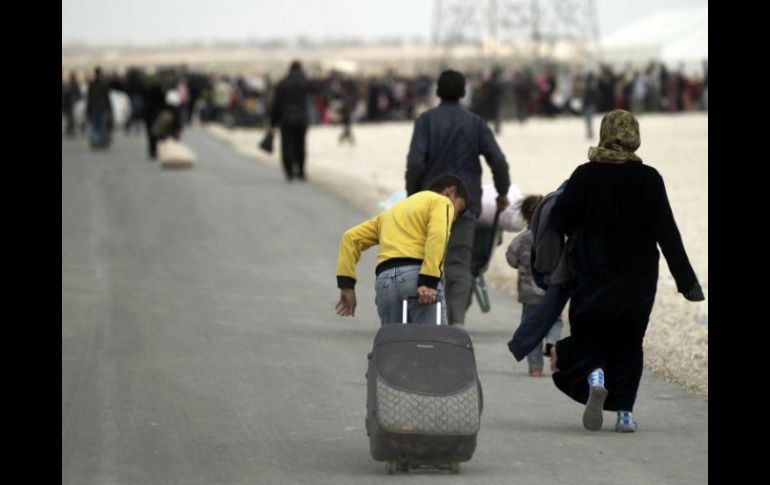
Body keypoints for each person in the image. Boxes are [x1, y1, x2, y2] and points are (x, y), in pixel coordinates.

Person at [548, 110, 705, 433]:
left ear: (604, 133)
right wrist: (686, 281)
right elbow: (668, 232)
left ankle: (595, 376)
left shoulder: (585, 175)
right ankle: (625, 414)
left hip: (593, 274)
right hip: (638, 279)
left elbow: (559, 220)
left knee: (590, 336)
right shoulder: (649, 178)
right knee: (630, 342)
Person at [405, 69, 511, 328]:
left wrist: (412, 195)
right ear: (463, 93)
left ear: (438, 92)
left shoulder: (426, 121)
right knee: (460, 264)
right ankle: (457, 322)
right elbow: (497, 160)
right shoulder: (475, 123)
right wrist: (502, 191)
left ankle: (426, 319)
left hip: (430, 203)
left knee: (428, 259)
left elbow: (416, 162)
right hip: (466, 203)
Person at [335, 175, 469, 325]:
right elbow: (438, 235)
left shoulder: (393, 211)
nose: (455, 217)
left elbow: (350, 238)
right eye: (460, 208)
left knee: (395, 345)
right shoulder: (441, 202)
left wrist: (347, 286)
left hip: (385, 282)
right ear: (451, 191)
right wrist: (429, 282)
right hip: (417, 277)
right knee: (432, 343)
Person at [506, 195, 563, 377]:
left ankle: (536, 368)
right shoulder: (555, 237)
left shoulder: (521, 239)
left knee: (531, 327)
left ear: (525, 217)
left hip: (528, 292)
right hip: (550, 290)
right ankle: (553, 342)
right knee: (555, 319)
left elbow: (511, 258)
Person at [269, 60, 311, 181]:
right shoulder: (304, 82)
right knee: (301, 146)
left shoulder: (283, 84)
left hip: (286, 120)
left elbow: (276, 105)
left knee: (287, 146)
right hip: (302, 119)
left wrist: (273, 123)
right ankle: (301, 172)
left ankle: (289, 173)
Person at [85, 67, 113, 149]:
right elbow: (107, 97)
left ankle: (95, 142)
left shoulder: (92, 84)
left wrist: (88, 108)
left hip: (94, 107)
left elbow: (89, 97)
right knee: (102, 126)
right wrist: (110, 109)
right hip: (102, 107)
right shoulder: (104, 84)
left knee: (94, 126)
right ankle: (101, 143)